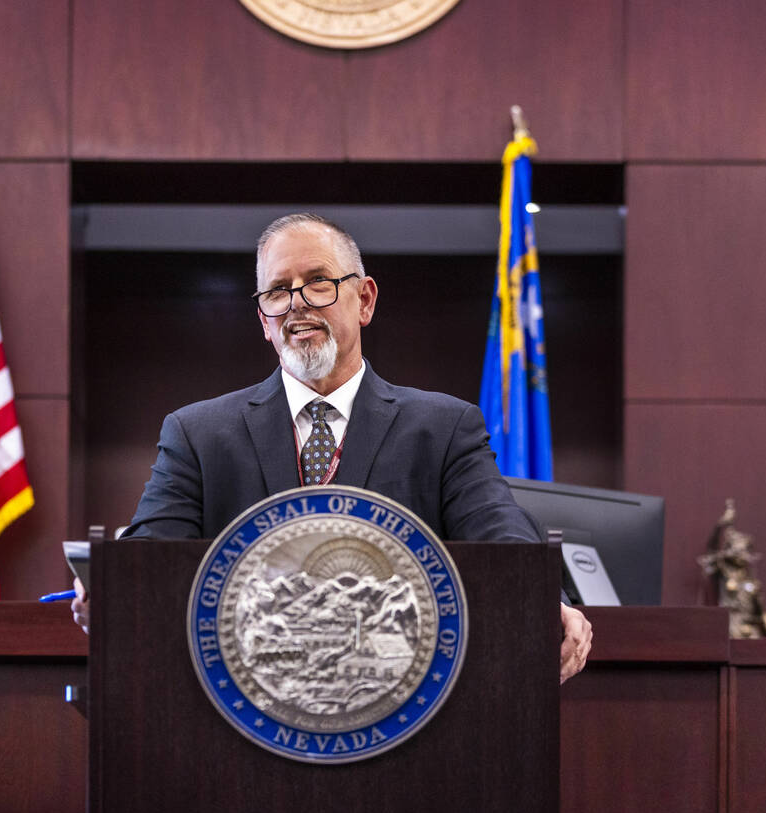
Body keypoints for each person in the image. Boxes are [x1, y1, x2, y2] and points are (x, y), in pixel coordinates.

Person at [73, 213, 591, 683]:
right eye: (277, 291)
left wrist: (546, 599)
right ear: (264, 321)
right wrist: (112, 594)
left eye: (317, 282)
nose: (296, 303)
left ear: (364, 300)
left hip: (404, 702)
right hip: (241, 707)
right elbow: (147, 563)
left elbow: (502, 536)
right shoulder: (198, 434)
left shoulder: (442, 428)